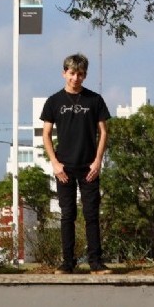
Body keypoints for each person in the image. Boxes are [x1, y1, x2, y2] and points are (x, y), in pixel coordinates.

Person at [41, 53, 112, 275]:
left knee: (91, 214)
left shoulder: (95, 100)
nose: (75, 78)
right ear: (64, 73)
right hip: (64, 168)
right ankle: (67, 263)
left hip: (89, 167)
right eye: (72, 73)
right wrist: (55, 163)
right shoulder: (54, 101)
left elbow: (103, 132)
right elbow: (46, 134)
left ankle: (96, 262)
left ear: (85, 75)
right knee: (67, 214)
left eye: (80, 74)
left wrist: (98, 161)